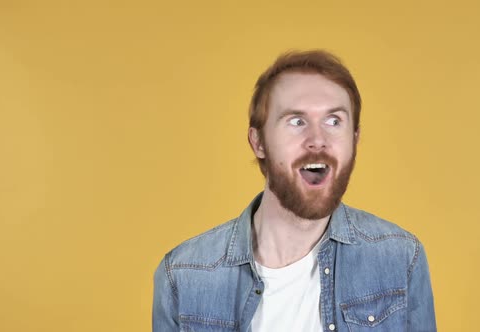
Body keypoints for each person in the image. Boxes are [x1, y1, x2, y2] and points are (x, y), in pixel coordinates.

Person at [153, 50, 436, 332]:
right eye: (297, 121)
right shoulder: (183, 276)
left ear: (355, 139)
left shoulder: (400, 259)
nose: (317, 140)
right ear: (259, 142)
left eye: (334, 121)